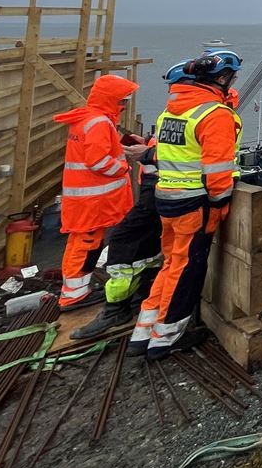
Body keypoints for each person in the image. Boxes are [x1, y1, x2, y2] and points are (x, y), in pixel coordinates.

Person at [130, 50, 243, 359]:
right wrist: (220, 205)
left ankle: (143, 332)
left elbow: (163, 157)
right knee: (187, 270)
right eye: (229, 79)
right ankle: (166, 338)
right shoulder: (214, 115)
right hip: (195, 205)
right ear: (220, 79)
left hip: (166, 198)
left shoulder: (170, 114)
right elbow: (217, 171)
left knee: (170, 264)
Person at [71, 59, 190, 340]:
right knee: (149, 248)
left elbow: (183, 153)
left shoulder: (185, 114)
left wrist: (139, 157)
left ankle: (117, 307)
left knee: (123, 244)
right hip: (158, 192)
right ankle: (140, 295)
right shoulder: (184, 114)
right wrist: (148, 144)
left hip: (161, 192)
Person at [53, 75, 140, 310]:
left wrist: (120, 148)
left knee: (80, 244)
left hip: (84, 199)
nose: (123, 106)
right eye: (121, 101)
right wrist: (123, 166)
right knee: (86, 246)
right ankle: (73, 295)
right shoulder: (100, 122)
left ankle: (75, 290)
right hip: (93, 201)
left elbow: (95, 148)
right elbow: (98, 160)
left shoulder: (87, 119)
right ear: (110, 100)